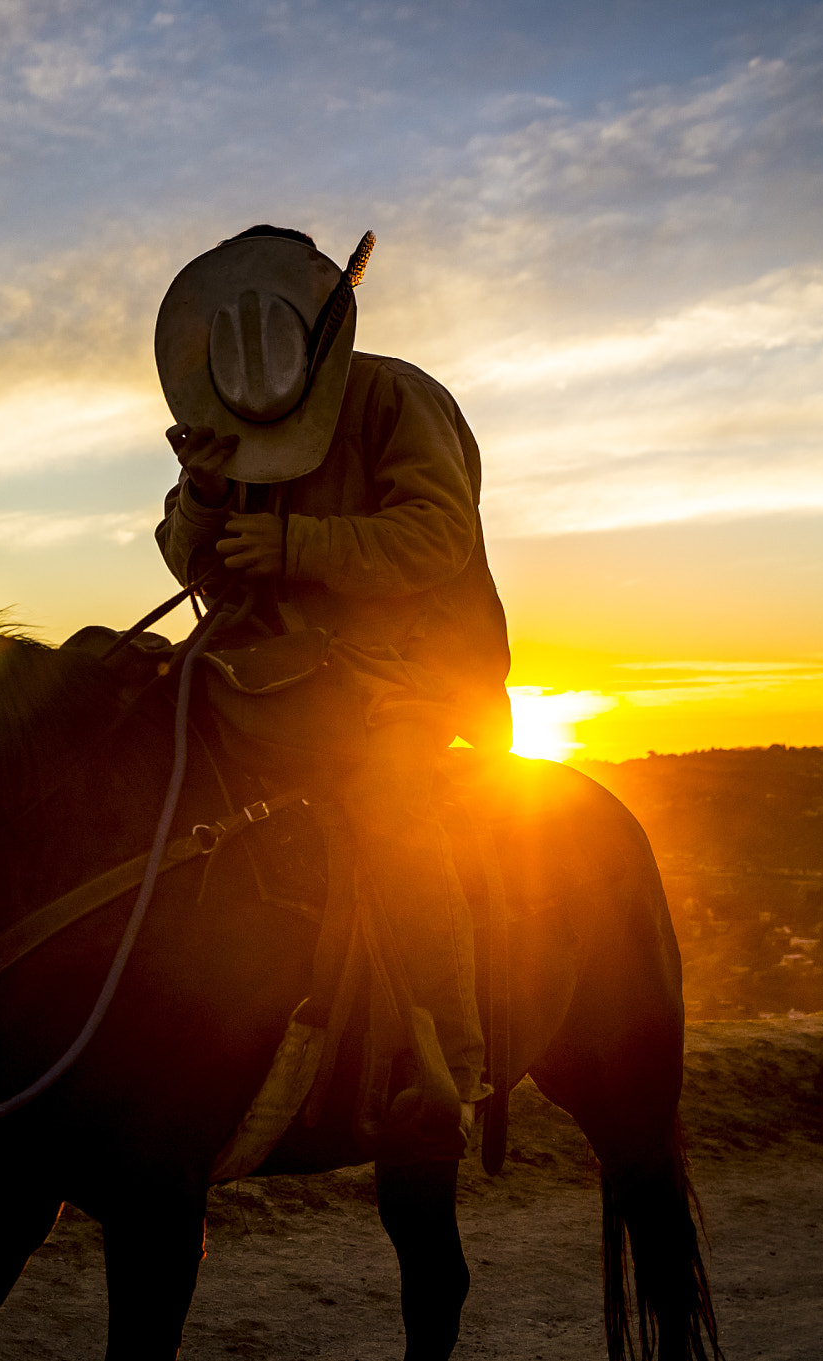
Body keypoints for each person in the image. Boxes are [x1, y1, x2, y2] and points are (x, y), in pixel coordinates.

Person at [153, 225, 512, 1159]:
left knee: (386, 792)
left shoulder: (398, 399)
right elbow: (188, 556)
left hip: (410, 669)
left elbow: (439, 534)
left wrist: (297, 548)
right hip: (267, 667)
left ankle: (450, 1057)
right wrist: (199, 490)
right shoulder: (233, 407)